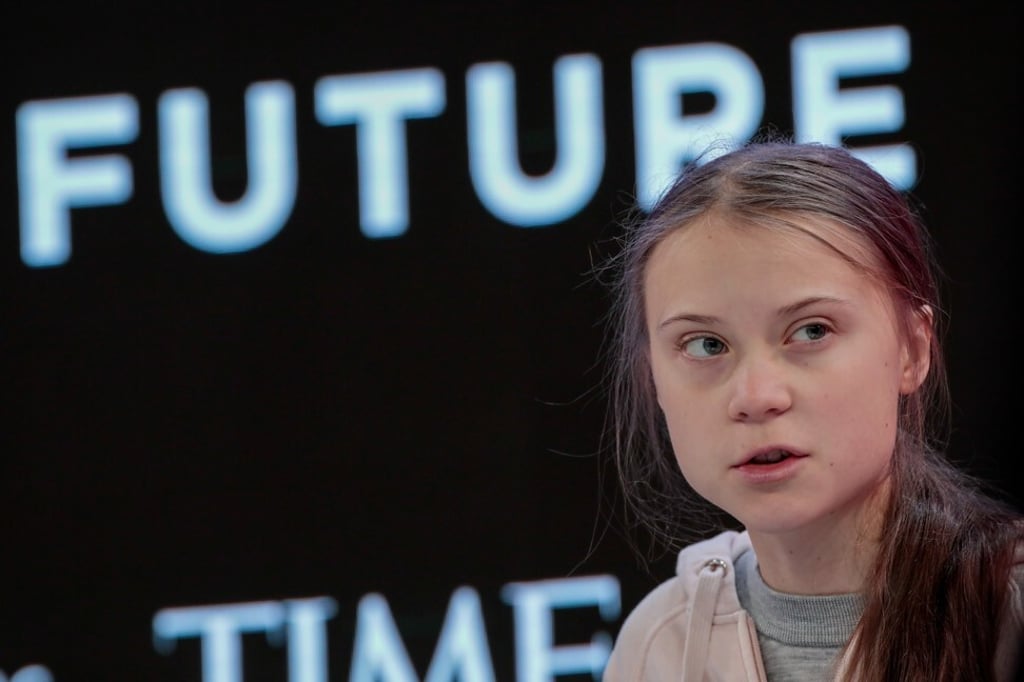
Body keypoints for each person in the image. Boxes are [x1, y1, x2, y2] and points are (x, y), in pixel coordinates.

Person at [597, 138, 1024, 680]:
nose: (755, 397)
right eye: (705, 345)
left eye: (811, 331)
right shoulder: (660, 644)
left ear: (912, 348)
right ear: (652, 376)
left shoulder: (1008, 614)